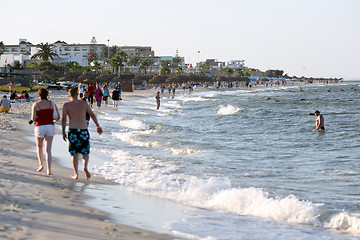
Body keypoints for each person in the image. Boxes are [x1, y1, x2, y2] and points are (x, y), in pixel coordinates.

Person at [62, 88, 103, 180]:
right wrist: (98, 126)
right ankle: (85, 167)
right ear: (77, 94)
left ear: (69, 96)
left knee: (74, 154)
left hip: (73, 131)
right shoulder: (84, 103)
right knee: (85, 153)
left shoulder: (67, 105)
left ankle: (76, 174)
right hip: (83, 130)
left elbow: (64, 119)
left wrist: (63, 132)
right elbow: (92, 114)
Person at [30, 89, 60, 175]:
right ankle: (49, 170)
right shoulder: (51, 103)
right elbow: (57, 117)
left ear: (39, 95)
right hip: (50, 126)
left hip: (39, 126)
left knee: (39, 147)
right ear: (47, 94)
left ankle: (40, 165)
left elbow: (33, 118)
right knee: (48, 149)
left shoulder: (36, 104)